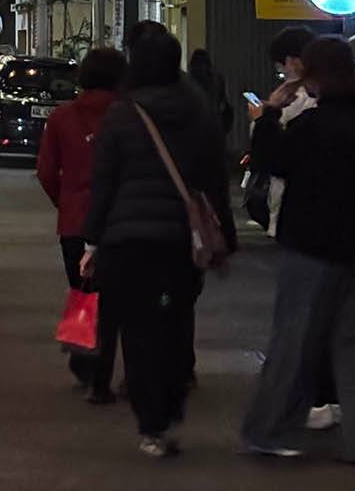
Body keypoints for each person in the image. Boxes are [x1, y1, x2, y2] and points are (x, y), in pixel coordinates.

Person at [80, 25, 235, 454]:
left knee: (138, 328)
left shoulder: (123, 113)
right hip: (179, 242)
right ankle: (171, 399)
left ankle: (151, 422)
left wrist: (92, 241)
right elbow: (215, 180)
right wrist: (226, 232)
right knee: (173, 318)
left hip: (128, 241)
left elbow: (104, 183)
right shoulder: (198, 111)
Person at [241, 35, 355, 466]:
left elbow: (272, 160)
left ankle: (271, 431)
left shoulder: (311, 126)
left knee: (295, 343)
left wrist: (269, 112)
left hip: (311, 248)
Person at [35, 46, 125, 394]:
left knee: (82, 290)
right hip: (120, 217)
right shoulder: (128, 114)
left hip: (75, 219)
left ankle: (84, 362)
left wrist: (66, 199)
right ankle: (106, 368)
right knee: (117, 296)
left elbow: (45, 171)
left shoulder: (62, 116)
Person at [188, 47, 234, 139]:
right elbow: (224, 105)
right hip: (214, 127)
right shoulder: (216, 79)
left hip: (194, 129)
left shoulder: (188, 82)